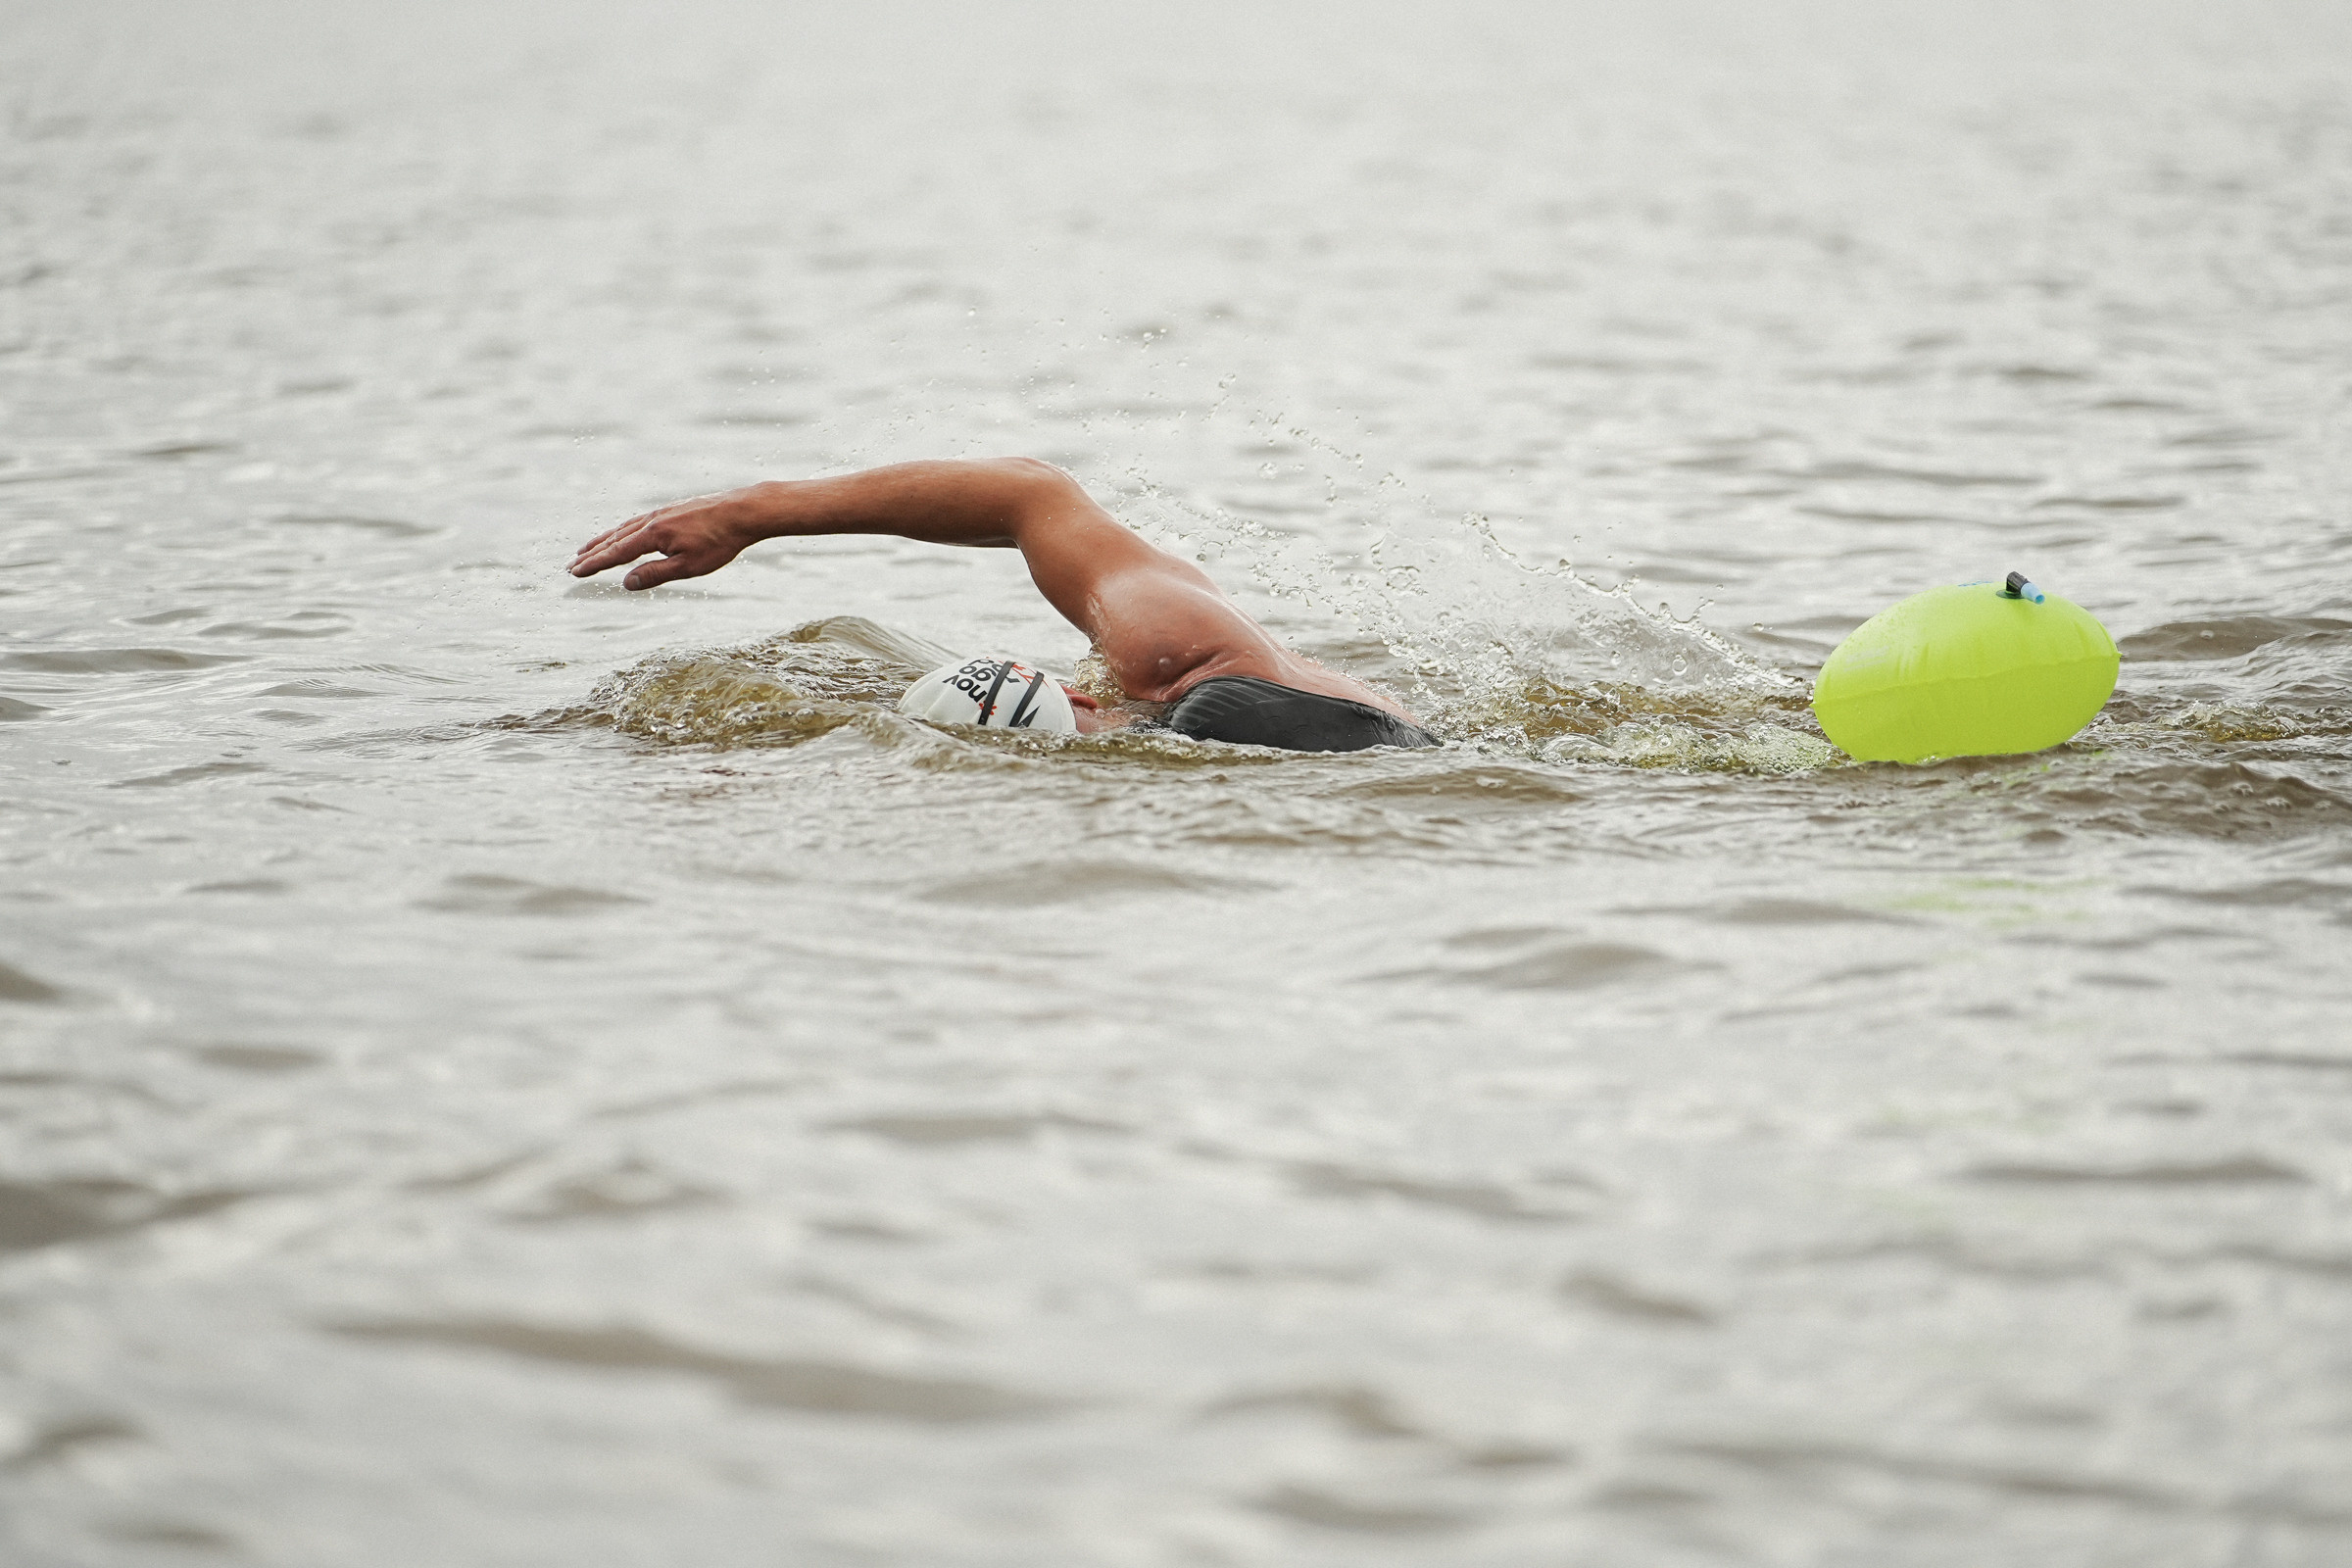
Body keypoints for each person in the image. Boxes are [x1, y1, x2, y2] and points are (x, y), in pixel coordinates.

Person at [568, 458, 1438, 752]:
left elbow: (1026, 496)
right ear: (1079, 695)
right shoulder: (1166, 658)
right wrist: (751, 512)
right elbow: (1031, 493)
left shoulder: (1170, 665)